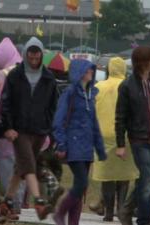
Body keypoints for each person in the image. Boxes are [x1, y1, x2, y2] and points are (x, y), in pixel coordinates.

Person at [0, 37, 57, 220]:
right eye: (30, 55)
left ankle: (6, 203)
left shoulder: (49, 78)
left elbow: (53, 104)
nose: (33, 58)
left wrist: (48, 126)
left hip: (40, 129)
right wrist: (8, 127)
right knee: (29, 165)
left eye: (36, 55)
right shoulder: (15, 75)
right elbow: (5, 103)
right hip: (19, 129)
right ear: (25, 54)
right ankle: (39, 203)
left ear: (41, 54)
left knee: (20, 168)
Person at [115, 46, 150, 225]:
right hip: (138, 139)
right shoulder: (127, 86)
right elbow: (120, 117)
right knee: (147, 179)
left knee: (149, 178)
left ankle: (127, 208)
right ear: (145, 62)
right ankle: (145, 220)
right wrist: (120, 144)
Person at [53, 59, 107, 225]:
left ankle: (73, 222)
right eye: (88, 70)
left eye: (91, 70)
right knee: (82, 181)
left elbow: (94, 124)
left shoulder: (90, 95)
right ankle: (60, 211)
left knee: (81, 187)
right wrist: (61, 143)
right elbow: (58, 121)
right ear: (80, 73)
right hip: (74, 144)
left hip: (87, 147)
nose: (91, 72)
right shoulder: (69, 94)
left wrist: (100, 148)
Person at [91, 57, 139, 222]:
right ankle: (121, 208)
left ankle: (108, 212)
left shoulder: (98, 87)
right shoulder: (131, 87)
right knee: (123, 175)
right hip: (125, 136)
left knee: (107, 176)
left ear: (109, 69)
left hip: (103, 136)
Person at [0, 37, 25, 214]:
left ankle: (12, 203)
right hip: (26, 128)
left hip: (7, 130)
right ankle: (16, 202)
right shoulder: (25, 70)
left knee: (7, 166)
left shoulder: (4, 74)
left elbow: (0, 104)